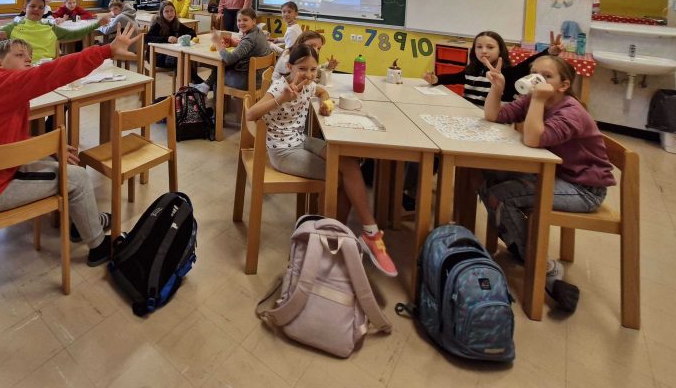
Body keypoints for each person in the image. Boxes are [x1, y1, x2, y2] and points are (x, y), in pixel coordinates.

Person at [0, 24, 143, 266]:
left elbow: (2, 142)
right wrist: (106, 51)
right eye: (19, 55)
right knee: (78, 178)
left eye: (29, 56)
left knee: (65, 163)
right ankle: (99, 247)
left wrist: (48, 151)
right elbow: (53, 71)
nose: (28, 59)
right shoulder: (6, 83)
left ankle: (84, 223)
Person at [245, 44, 397, 275]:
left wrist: (327, 102)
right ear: (290, 67)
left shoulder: (310, 85)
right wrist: (281, 98)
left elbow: (321, 91)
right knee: (339, 178)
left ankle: (370, 233)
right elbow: (250, 114)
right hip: (282, 151)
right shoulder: (279, 87)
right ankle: (331, 239)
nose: (308, 74)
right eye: (302, 69)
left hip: (301, 140)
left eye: (313, 69)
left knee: (349, 164)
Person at [480, 54, 615, 313]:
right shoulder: (533, 100)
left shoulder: (571, 111)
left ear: (563, 85)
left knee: (502, 196)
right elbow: (493, 115)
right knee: (489, 179)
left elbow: (533, 139)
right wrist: (497, 89)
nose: (537, 80)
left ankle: (545, 268)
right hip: (557, 175)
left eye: (547, 76)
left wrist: (538, 100)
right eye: (534, 73)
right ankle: (522, 248)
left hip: (583, 189)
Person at [422, 30, 564, 107]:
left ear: (500, 50)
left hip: (495, 121)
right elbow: (453, 78)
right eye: (479, 47)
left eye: (490, 47)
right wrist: (436, 79)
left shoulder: (508, 73)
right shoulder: (472, 70)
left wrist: (549, 52)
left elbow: (528, 63)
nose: (483, 51)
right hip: (469, 116)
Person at [0, 0, 106, 60]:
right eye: (32, 6)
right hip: (23, 72)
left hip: (47, 70)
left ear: (44, 11)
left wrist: (97, 24)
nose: (37, 9)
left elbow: (74, 34)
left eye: (41, 7)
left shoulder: (50, 27)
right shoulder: (12, 27)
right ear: (24, 8)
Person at [194, 7, 270, 94]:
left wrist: (218, 44)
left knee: (219, 73)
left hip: (250, 80)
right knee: (222, 67)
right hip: (263, 77)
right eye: (239, 20)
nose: (241, 23)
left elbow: (229, 59)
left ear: (254, 21)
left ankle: (211, 95)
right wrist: (234, 43)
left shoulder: (249, 39)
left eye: (245, 20)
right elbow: (249, 47)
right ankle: (205, 86)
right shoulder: (258, 31)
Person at [145, 1, 196, 71]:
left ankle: (186, 77)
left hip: (171, 53)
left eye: (172, 10)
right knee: (181, 59)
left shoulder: (176, 23)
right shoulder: (157, 24)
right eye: (166, 11)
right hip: (156, 56)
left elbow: (192, 32)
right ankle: (189, 78)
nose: (170, 13)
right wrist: (167, 39)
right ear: (162, 13)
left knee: (185, 59)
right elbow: (147, 38)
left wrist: (182, 37)